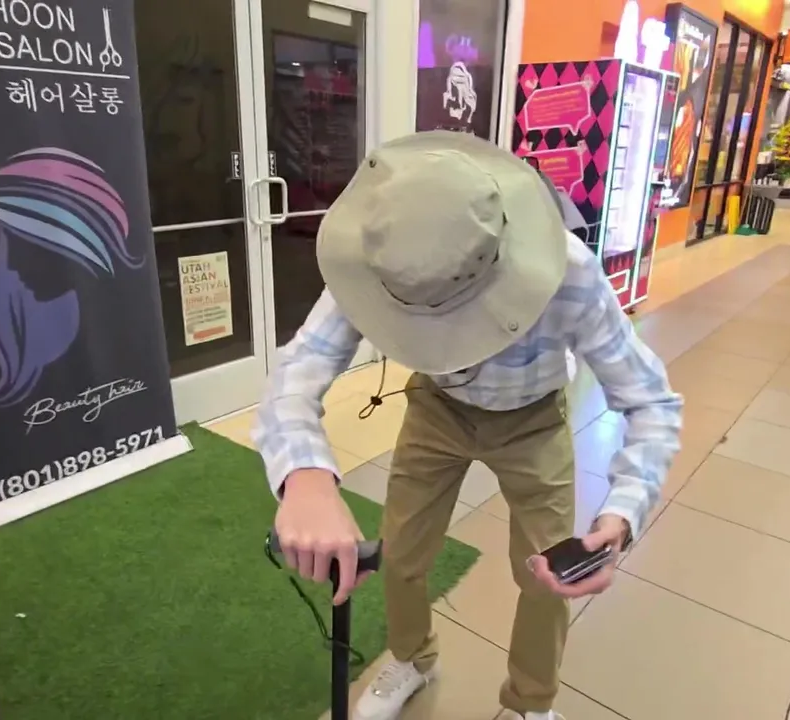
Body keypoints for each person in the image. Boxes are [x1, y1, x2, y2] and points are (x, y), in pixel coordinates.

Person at [253, 131, 683, 720]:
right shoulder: (378, 251)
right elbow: (299, 368)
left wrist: (624, 510)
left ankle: (533, 703)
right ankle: (411, 658)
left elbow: (652, 400)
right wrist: (305, 475)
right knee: (402, 551)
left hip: (533, 419)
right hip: (438, 408)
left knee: (547, 571)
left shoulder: (570, 272)